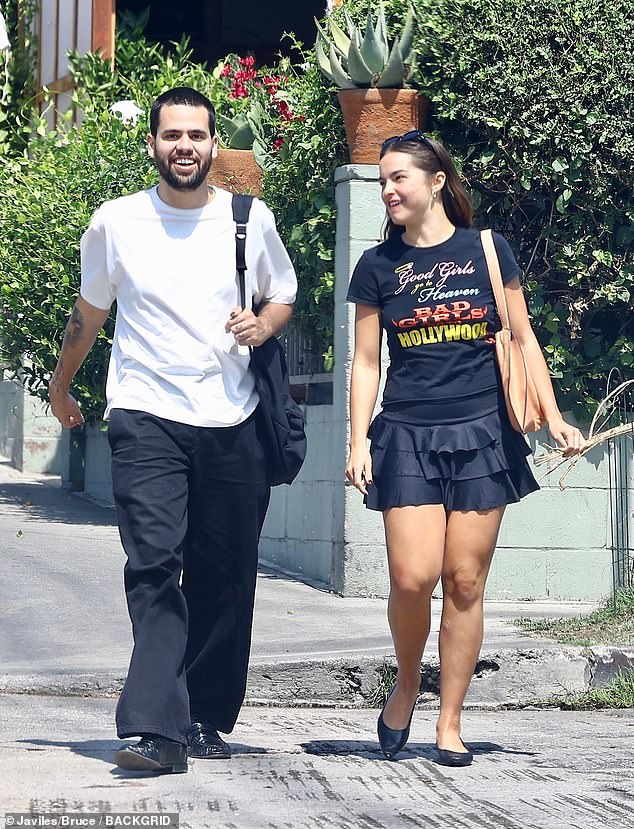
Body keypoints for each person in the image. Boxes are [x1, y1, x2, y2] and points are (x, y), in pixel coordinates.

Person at [48, 87, 297, 774]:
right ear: (153, 144)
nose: (184, 146)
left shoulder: (250, 220)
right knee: (155, 564)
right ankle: (155, 725)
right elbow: (89, 312)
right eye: (171, 135)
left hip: (232, 419)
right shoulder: (117, 222)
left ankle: (206, 714)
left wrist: (262, 324)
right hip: (145, 413)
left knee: (226, 575)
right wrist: (62, 382)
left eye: (196, 135)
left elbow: (283, 294)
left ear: (214, 144)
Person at [345, 131, 585, 766]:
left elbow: (525, 339)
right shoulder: (377, 266)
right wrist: (358, 440)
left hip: (483, 431)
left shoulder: (487, 250)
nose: (389, 190)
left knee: (465, 580)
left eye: (399, 178)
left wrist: (554, 419)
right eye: (382, 181)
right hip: (406, 434)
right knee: (412, 576)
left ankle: (449, 721)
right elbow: (366, 362)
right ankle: (406, 681)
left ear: (435, 182)